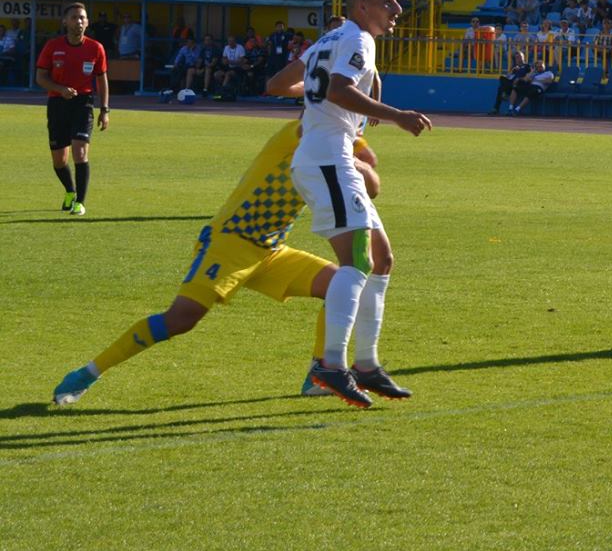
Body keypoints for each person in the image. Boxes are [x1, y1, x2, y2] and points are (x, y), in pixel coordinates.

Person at [51, 97, 387, 408]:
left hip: (270, 249)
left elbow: (373, 184)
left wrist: (357, 152)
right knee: (181, 319)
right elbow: (332, 131)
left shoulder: (334, 146)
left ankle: (319, 375)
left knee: (341, 285)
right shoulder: (300, 135)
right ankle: (90, 372)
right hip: (229, 243)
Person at [292, 0, 435, 407]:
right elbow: (340, 89)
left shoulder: (329, 40)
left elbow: (279, 85)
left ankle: (367, 366)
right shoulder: (357, 39)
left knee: (382, 258)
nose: (397, 10)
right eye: (388, 2)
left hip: (325, 155)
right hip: (328, 158)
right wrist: (395, 115)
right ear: (362, 7)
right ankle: (331, 365)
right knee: (356, 260)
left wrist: (323, 103)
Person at [36, 2, 109, 215]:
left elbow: (102, 80)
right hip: (58, 104)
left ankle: (80, 202)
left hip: (83, 103)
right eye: (75, 17)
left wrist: (105, 110)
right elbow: (40, 77)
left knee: (80, 151)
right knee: (59, 160)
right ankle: (69, 190)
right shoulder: (52, 46)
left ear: (87, 22)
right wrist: (60, 89)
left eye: (82, 18)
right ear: (65, 22)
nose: (79, 21)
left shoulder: (96, 48)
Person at [492, 49, 535, 115]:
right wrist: (512, 71)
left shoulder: (527, 66)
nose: (518, 59)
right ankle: (496, 108)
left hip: (521, 83)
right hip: (512, 83)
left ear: (523, 57)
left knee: (504, 87)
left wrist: (519, 79)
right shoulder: (515, 67)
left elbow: (528, 77)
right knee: (501, 81)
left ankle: (505, 95)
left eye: (519, 57)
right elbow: (508, 76)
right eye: (516, 58)